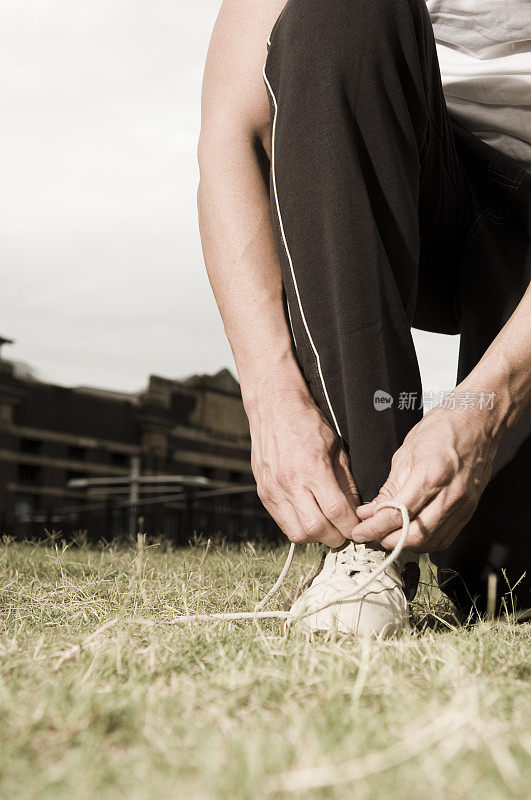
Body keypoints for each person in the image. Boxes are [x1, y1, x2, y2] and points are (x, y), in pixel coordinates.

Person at [197, 0, 530, 635]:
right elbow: (228, 141)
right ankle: (369, 545)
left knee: (502, 580)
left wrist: (486, 417)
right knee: (338, 12)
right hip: (424, 176)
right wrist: (271, 397)